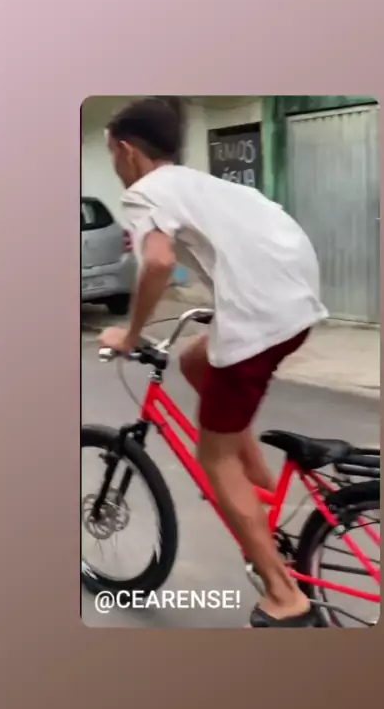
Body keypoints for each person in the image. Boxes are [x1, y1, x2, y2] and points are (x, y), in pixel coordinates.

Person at [99, 97, 329, 628]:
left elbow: (159, 261)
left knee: (213, 458)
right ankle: (260, 484)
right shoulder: (201, 185)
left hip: (260, 319)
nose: (115, 164)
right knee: (194, 360)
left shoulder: (146, 190)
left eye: (112, 153)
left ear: (127, 151)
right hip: (296, 307)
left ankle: (284, 595)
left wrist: (131, 334)